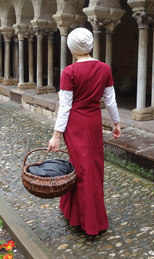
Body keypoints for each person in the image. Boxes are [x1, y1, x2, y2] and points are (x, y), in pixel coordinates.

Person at [48, 27, 121, 236]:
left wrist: (56, 135)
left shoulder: (70, 72)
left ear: (71, 48)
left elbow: (66, 107)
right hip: (93, 122)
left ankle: (85, 219)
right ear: (90, 46)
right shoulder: (104, 68)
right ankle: (83, 215)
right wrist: (116, 123)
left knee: (81, 168)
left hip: (75, 125)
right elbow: (110, 101)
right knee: (92, 168)